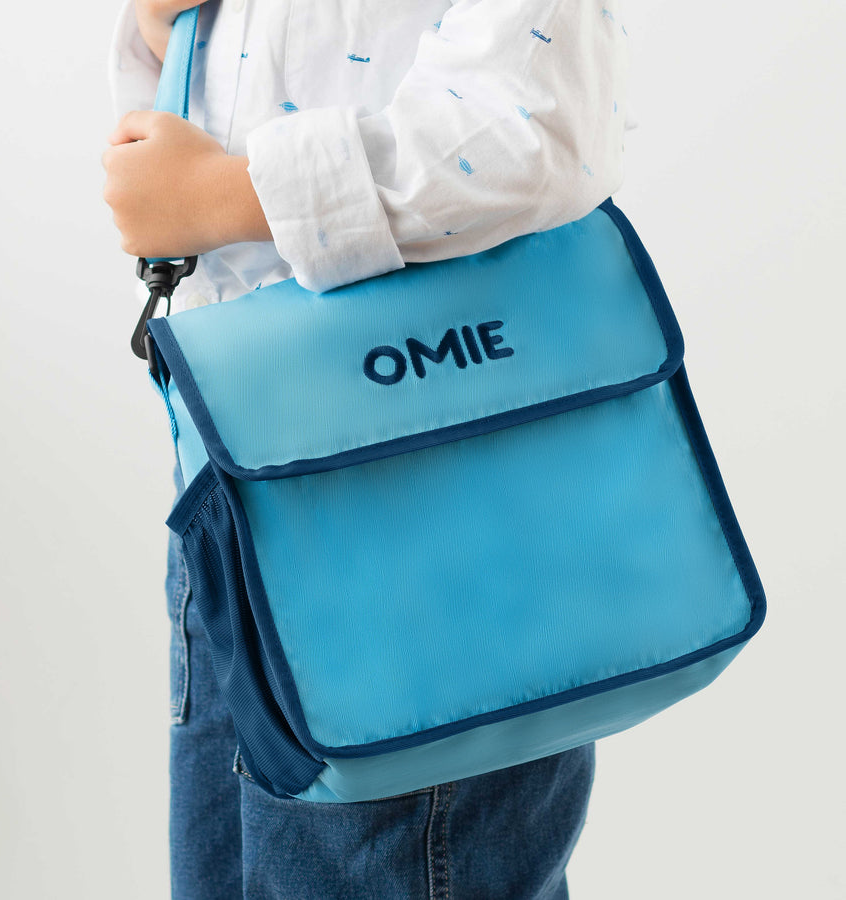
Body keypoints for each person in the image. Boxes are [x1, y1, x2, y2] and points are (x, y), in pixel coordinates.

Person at [103, 1, 634, 896]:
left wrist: (226, 194)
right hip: (232, 485)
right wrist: (164, 33)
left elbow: (531, 129)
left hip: (423, 497)